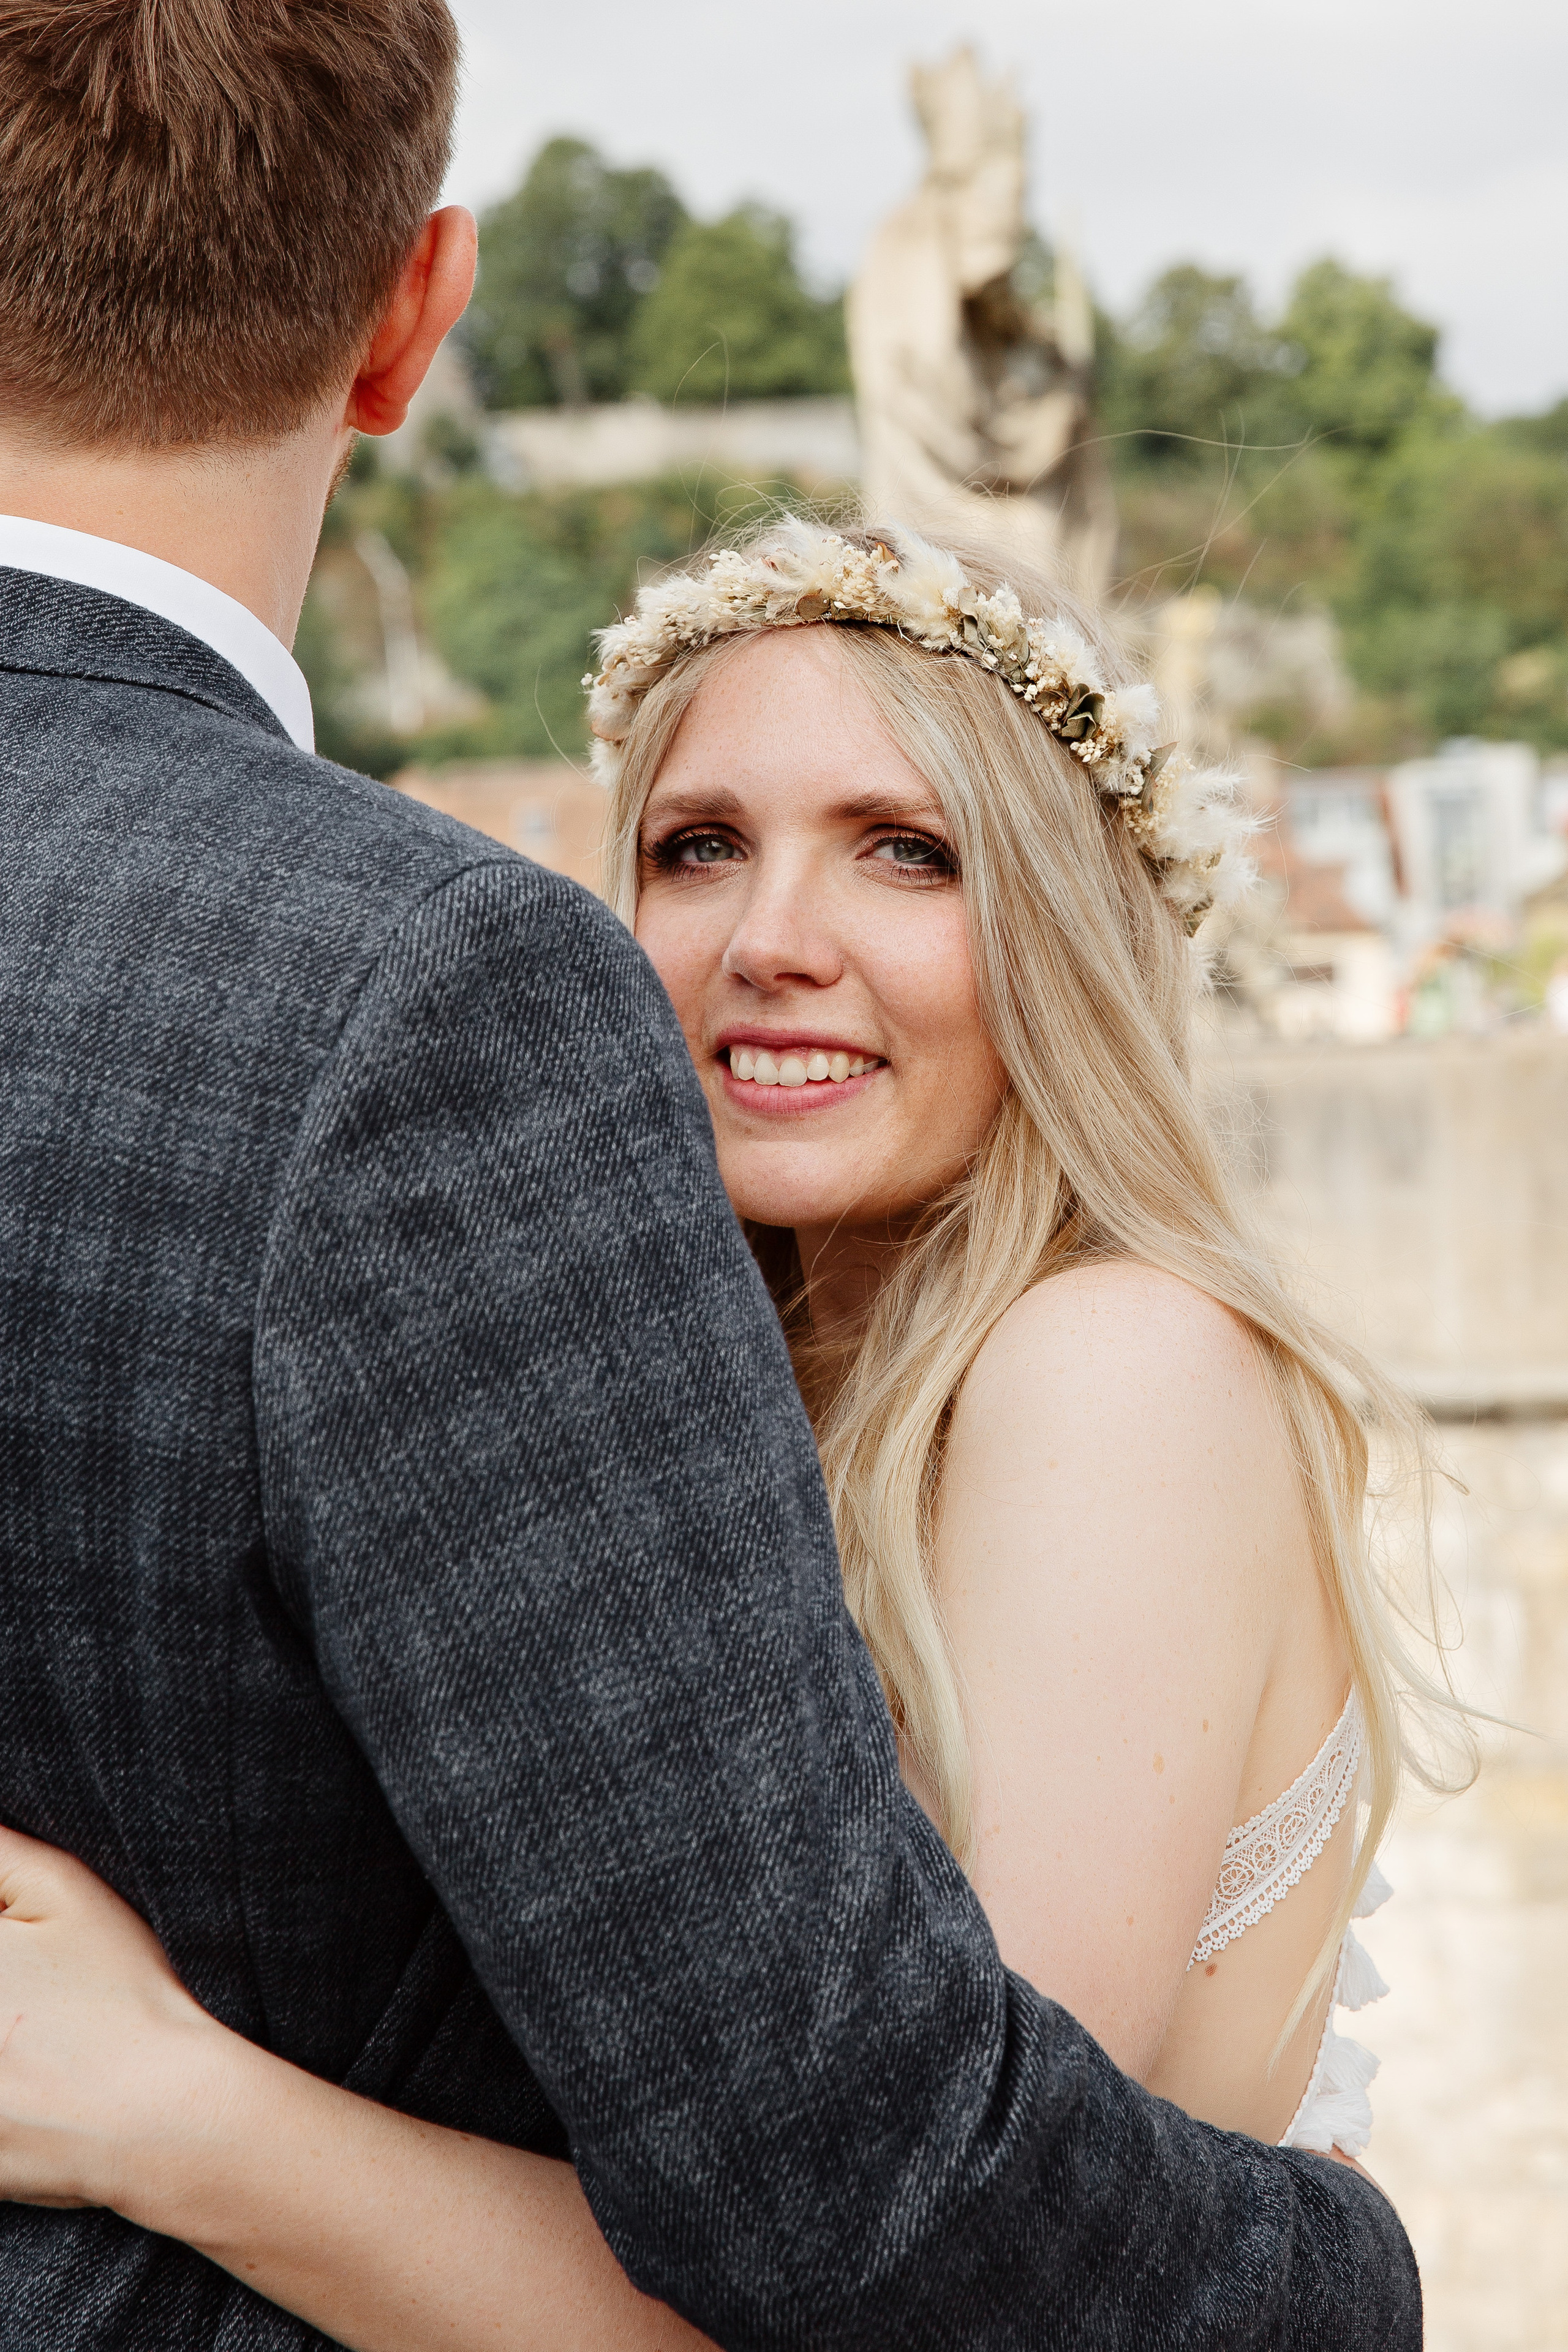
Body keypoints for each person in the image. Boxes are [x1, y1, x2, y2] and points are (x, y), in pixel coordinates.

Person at [0, 72, 1445, 2296]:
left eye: (906, 851)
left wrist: (165, 2108)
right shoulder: (649, 1378)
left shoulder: (1112, 1371)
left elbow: (912, 2289)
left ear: (1059, 939)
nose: (776, 934)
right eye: (697, 849)